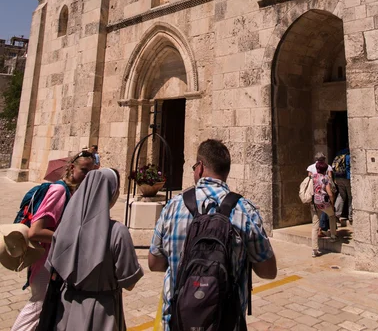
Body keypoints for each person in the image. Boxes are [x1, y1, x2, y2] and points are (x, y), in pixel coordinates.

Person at [148, 139, 277, 331]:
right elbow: (269, 271)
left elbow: (154, 263)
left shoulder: (173, 207)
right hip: (225, 323)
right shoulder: (245, 211)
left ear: (200, 167)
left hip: (178, 322)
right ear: (226, 171)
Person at [44, 168, 143, 331]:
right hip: (103, 314)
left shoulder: (63, 228)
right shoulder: (117, 232)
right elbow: (129, 282)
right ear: (111, 193)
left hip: (65, 312)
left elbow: (53, 268)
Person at [11, 150, 96, 331]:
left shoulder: (71, 192)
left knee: (44, 306)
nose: (86, 175)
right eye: (84, 170)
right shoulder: (58, 191)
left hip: (53, 258)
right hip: (45, 260)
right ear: (72, 167)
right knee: (37, 306)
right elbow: (36, 231)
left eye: (91, 172)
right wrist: (73, 236)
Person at [311, 160, 337, 258]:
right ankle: (333, 235)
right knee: (332, 215)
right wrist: (332, 202)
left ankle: (314, 249)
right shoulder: (325, 178)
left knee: (315, 225)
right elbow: (330, 193)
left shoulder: (312, 177)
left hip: (315, 202)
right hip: (324, 202)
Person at [333, 146, 352, 225]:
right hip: (347, 177)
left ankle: (337, 214)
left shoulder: (338, 155)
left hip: (338, 177)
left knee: (341, 195)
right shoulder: (349, 155)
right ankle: (351, 216)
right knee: (351, 196)